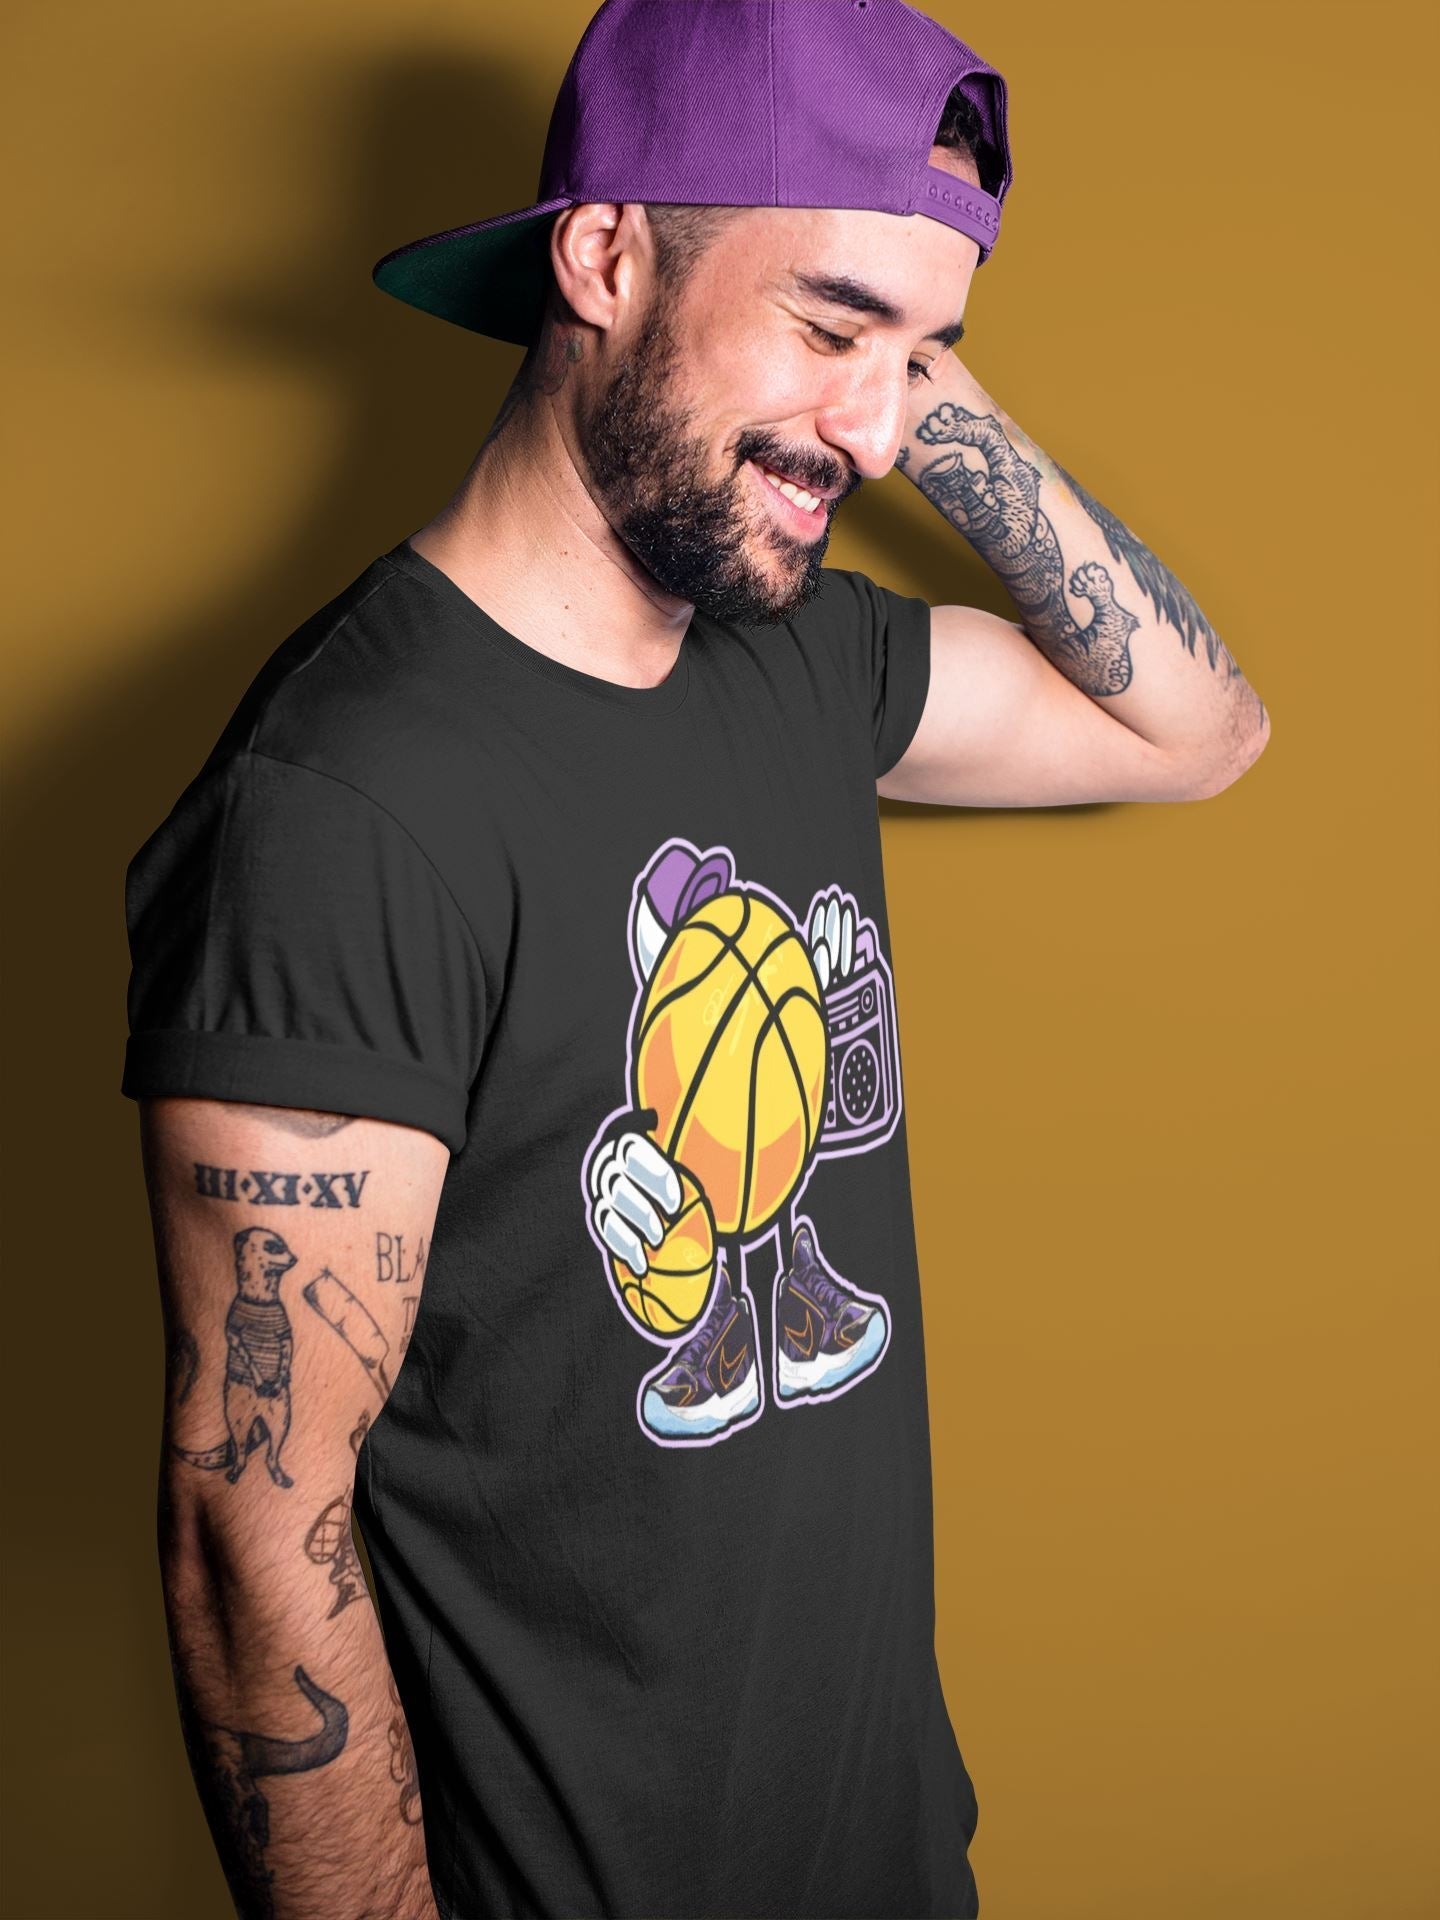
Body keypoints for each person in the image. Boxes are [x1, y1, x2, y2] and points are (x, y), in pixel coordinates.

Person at [121, 1, 1270, 1915]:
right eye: (827, 326)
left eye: (926, 357)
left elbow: (1201, 732)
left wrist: (894, 358)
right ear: (602, 258)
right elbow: (256, 1540)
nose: (879, 432)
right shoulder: (346, 804)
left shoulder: (799, 657)